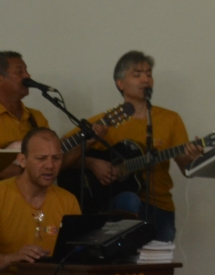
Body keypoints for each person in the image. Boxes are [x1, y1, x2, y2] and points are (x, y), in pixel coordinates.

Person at [80, 51, 201, 242]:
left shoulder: (170, 119)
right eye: (137, 75)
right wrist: (91, 162)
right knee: (129, 201)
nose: (145, 79)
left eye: (149, 74)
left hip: (161, 206)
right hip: (119, 204)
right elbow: (61, 154)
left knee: (159, 267)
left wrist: (192, 158)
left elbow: (187, 169)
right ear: (120, 83)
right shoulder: (105, 122)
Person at [0, 127, 80, 272]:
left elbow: (78, 259)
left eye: (56, 158)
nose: (50, 166)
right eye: (41, 158)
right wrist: (12, 257)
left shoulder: (68, 201)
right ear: (22, 160)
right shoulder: (2, 195)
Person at [0, 52, 49, 180]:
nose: (27, 75)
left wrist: (85, 144)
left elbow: (52, 162)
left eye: (26, 70)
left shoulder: (36, 117)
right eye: (19, 72)